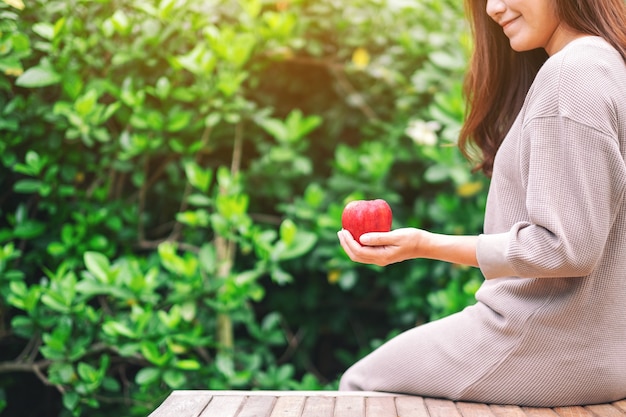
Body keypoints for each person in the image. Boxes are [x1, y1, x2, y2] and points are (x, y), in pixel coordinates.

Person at [337, 0, 626, 407]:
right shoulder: (608, 63)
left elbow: (564, 248)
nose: (493, 7)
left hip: (543, 341)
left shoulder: (571, 74)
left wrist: (423, 245)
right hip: (603, 351)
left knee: (361, 386)